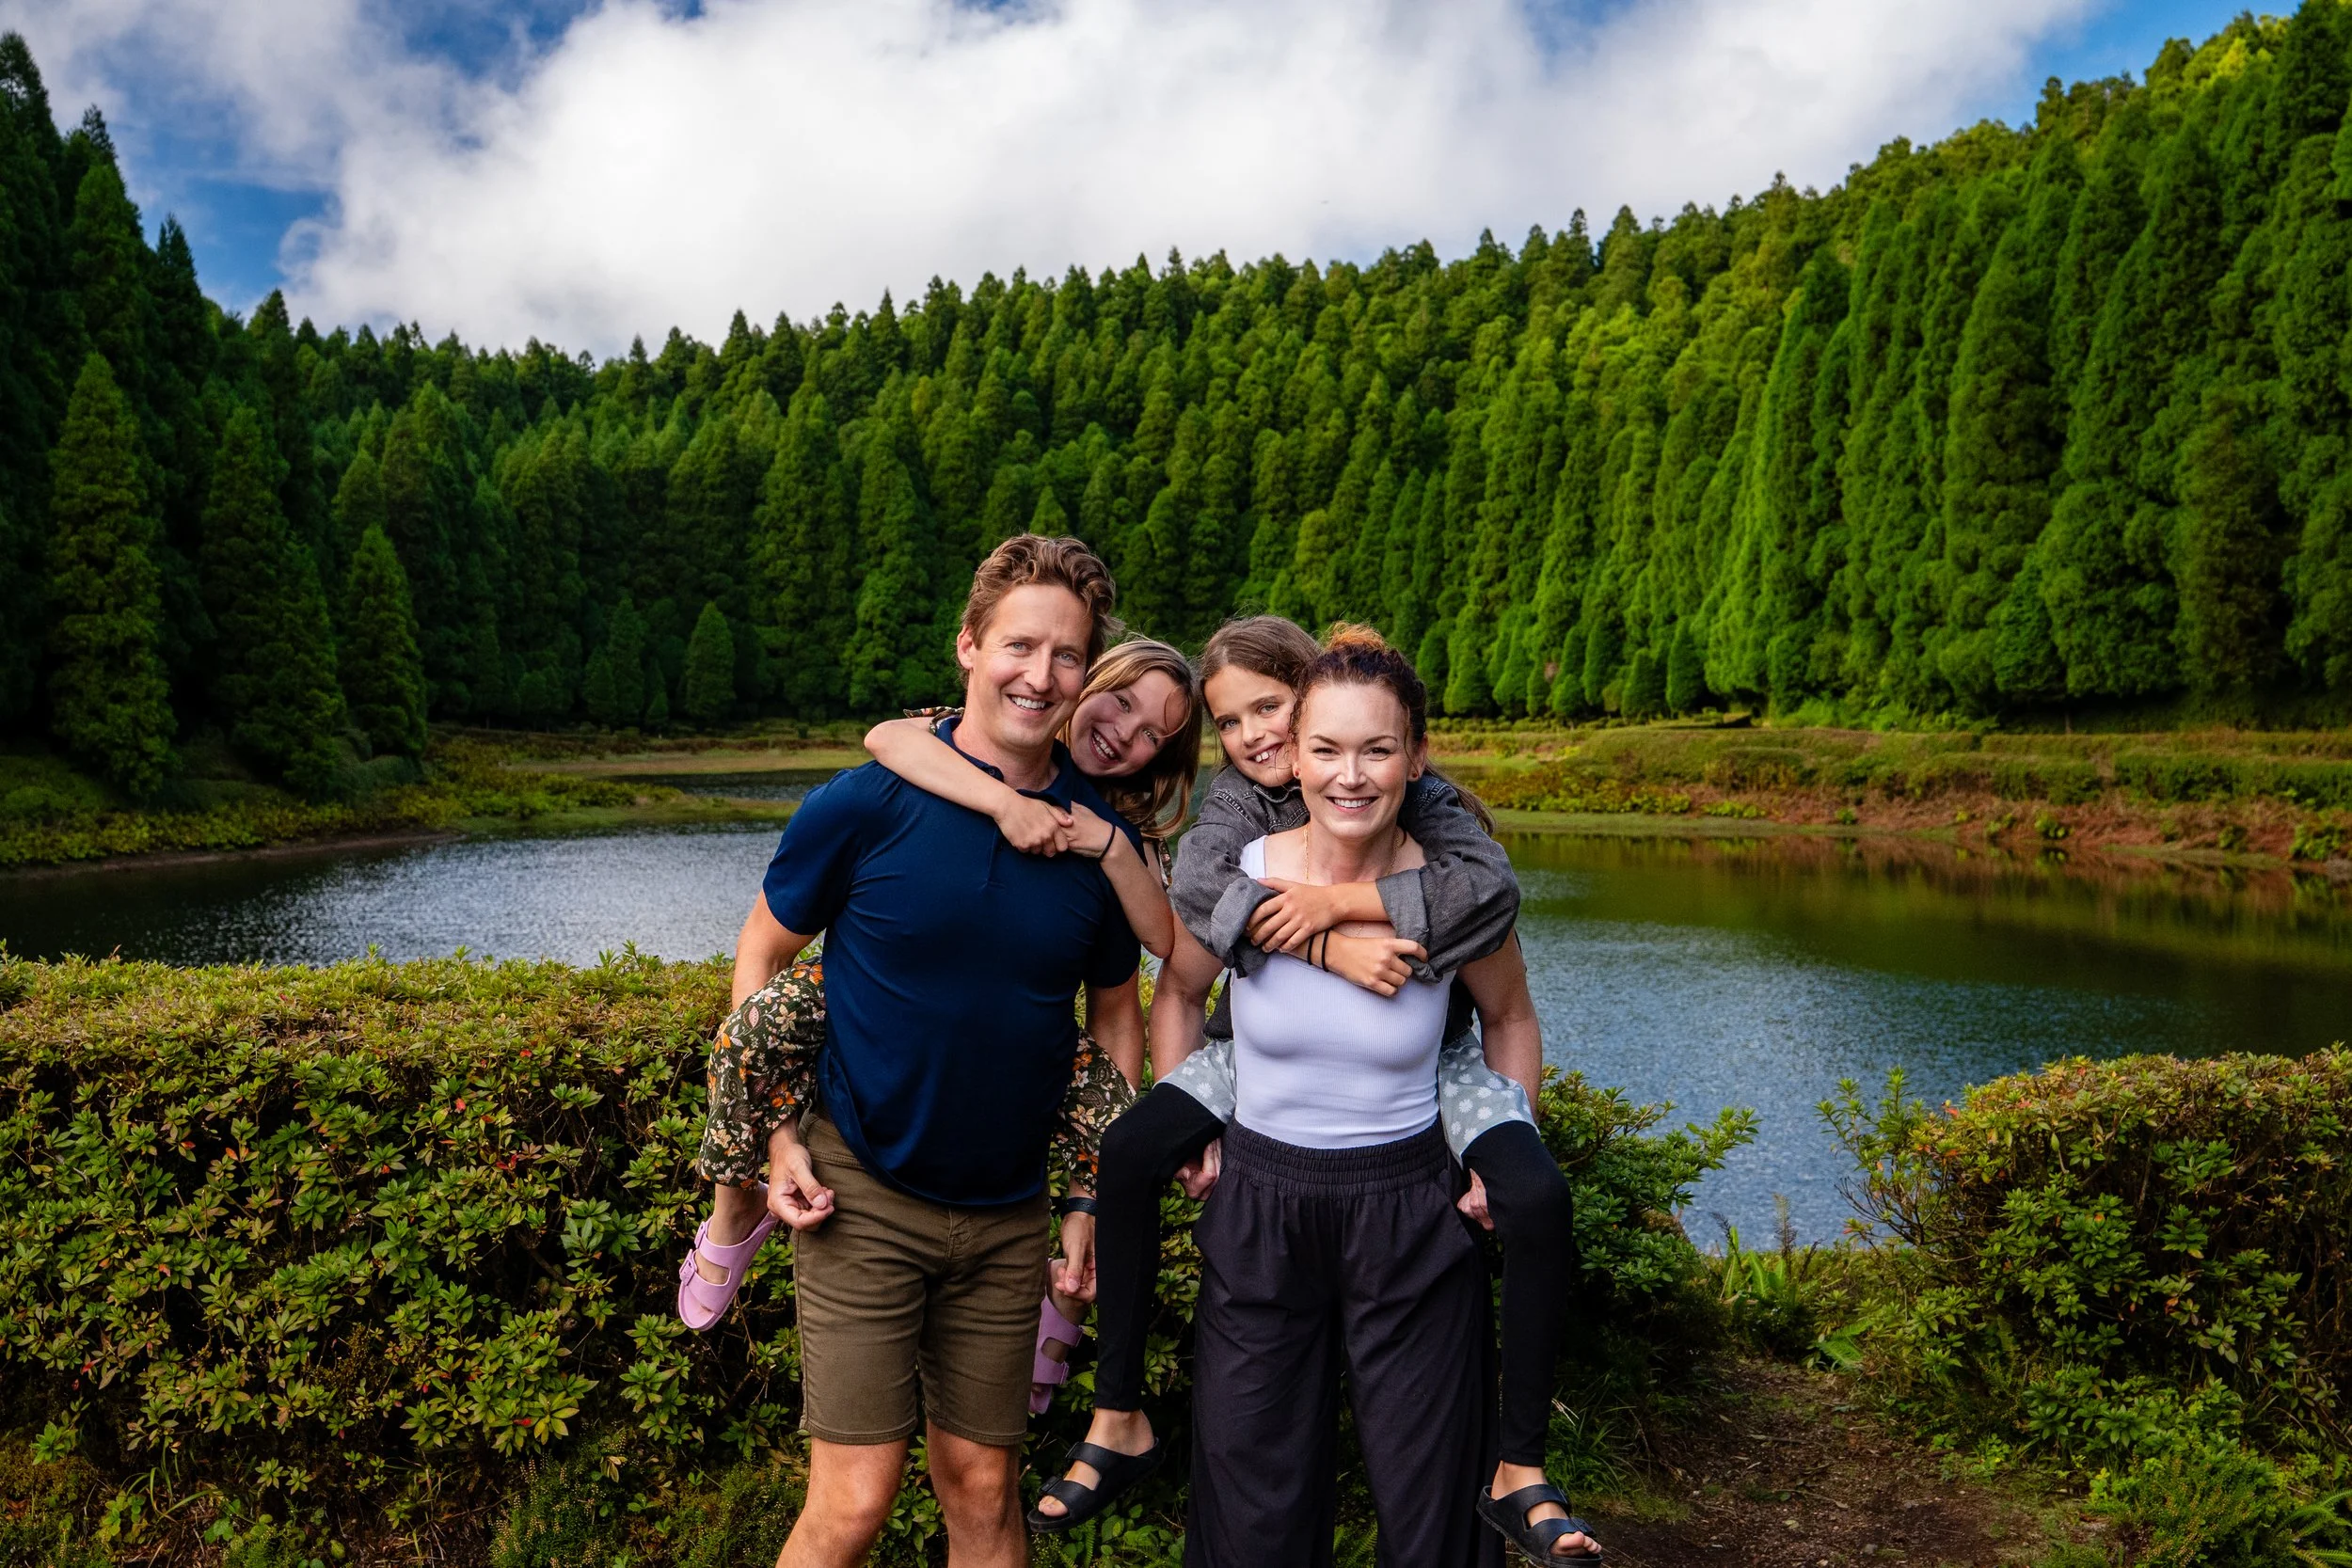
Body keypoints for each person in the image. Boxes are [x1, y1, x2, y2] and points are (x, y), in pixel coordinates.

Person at [1031, 617, 1597, 1563]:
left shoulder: (1454, 885)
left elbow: (1508, 1013)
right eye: (1324, 748)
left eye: (1376, 749)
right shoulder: (1242, 863)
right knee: (1253, 1509)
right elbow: (1174, 986)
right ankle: (1115, 1415)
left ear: (1413, 756)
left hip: (1407, 1208)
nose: (1348, 772)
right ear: (1290, 757)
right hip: (1263, 1202)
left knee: (1430, 1515)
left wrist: (1500, 1144)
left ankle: (1519, 1468)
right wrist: (1191, 1127)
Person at [709, 534, 1148, 1568]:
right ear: (967, 645)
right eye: (1018, 645)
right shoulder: (867, 801)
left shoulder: (1093, 837)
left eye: (1068, 654)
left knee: (985, 1489)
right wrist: (778, 1138)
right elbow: (761, 960)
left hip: (1006, 1218)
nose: (1039, 676)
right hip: (861, 1193)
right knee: (852, 1502)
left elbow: (1117, 1017)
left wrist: (1087, 1197)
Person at [680, 639, 1202, 1420]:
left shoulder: (1115, 833)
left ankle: (1064, 1300)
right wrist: (1001, 801)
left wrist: (1087, 1194)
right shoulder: (967, 743)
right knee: (749, 1034)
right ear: (1085, 681)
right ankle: (731, 1205)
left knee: (1124, 1137)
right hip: (876, 993)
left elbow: (1136, 981)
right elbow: (887, 739)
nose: (1125, 732)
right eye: (1121, 701)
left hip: (1018, 1046)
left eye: (1154, 732)